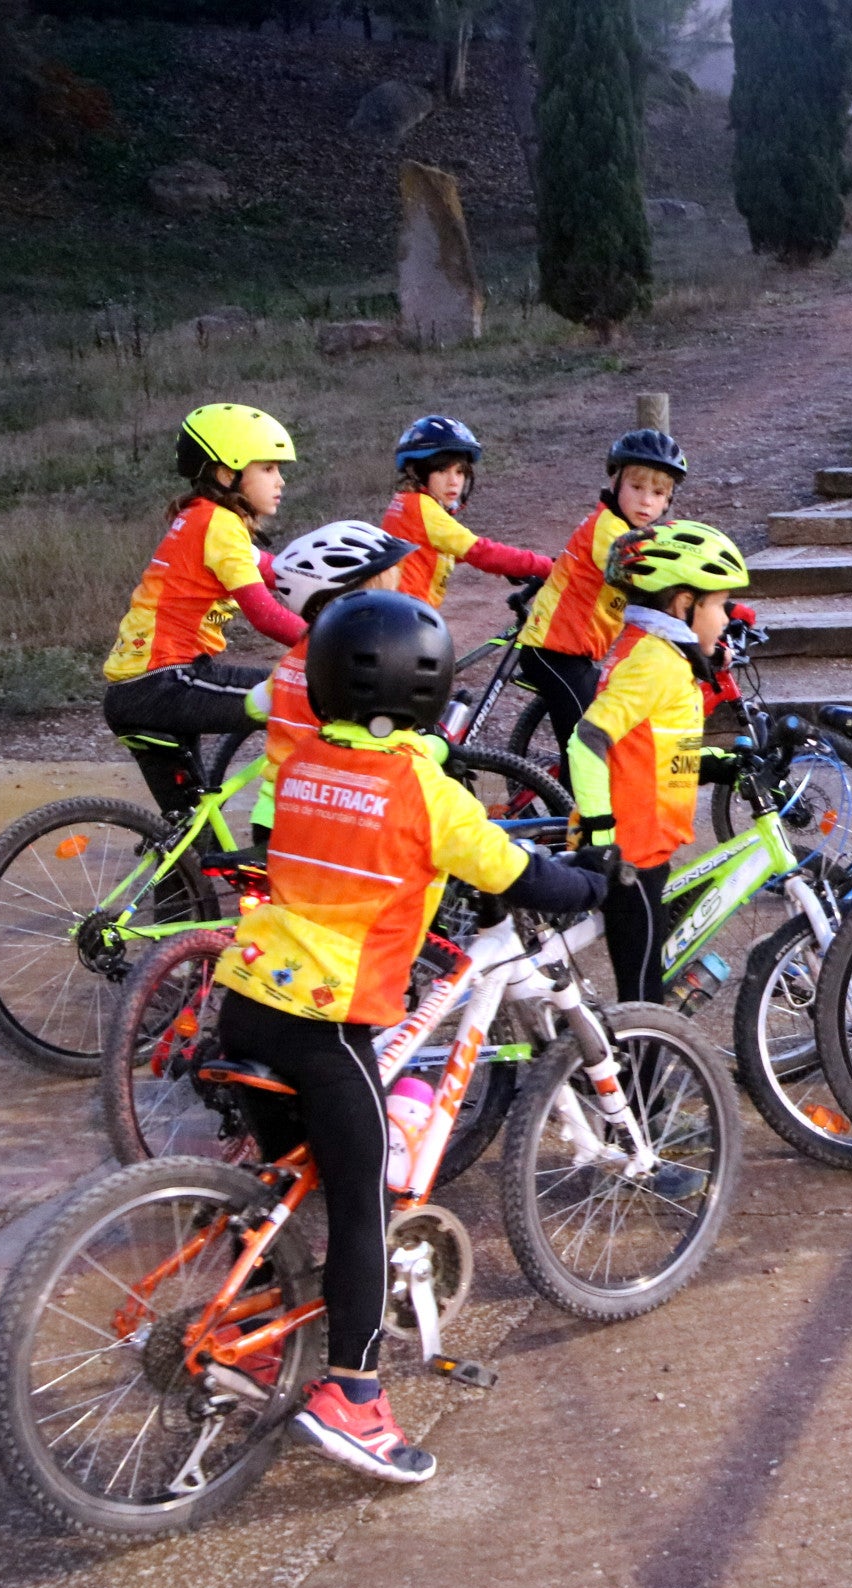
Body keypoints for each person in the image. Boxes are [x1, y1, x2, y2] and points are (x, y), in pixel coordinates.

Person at [213, 590, 609, 1485]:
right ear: (428, 691)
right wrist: (590, 885)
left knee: (288, 1184)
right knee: (363, 1208)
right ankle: (353, 1396)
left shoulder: (303, 760)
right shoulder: (425, 792)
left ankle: (251, 1339)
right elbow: (513, 870)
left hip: (245, 999)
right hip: (330, 1020)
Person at [565, 521, 750, 1010]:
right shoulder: (656, 661)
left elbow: (656, 747)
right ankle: (639, 1081)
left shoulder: (663, 655)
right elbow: (586, 742)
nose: (726, 619)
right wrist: (604, 839)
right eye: (718, 605)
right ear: (683, 604)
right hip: (631, 854)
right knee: (642, 990)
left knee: (648, 973)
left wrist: (719, 764)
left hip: (646, 845)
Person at [102, 404, 310, 816]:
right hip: (165, 680)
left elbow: (280, 572)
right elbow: (265, 614)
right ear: (226, 474)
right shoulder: (220, 524)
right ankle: (274, 829)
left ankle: (180, 879)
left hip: (138, 690)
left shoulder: (204, 519)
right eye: (267, 468)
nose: (280, 480)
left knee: (189, 835)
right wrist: (333, 641)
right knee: (304, 694)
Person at [514, 428, 686, 765]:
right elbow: (650, 579)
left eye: (658, 492)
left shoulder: (631, 532)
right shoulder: (608, 529)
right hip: (553, 651)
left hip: (573, 654)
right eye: (636, 487)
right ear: (615, 484)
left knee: (590, 735)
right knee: (585, 749)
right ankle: (568, 817)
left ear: (668, 501)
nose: (646, 500)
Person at [243, 520, 420, 841]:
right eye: (388, 591)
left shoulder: (293, 657)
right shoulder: (359, 666)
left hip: (271, 816)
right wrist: (437, 748)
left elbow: (255, 706)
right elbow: (382, 743)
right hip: (327, 817)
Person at [379, 415, 553, 606]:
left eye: (460, 472)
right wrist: (548, 566)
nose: (454, 481)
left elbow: (441, 549)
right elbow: (479, 551)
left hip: (394, 612)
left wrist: (508, 566)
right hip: (406, 618)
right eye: (442, 470)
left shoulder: (405, 503)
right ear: (419, 471)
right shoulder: (421, 507)